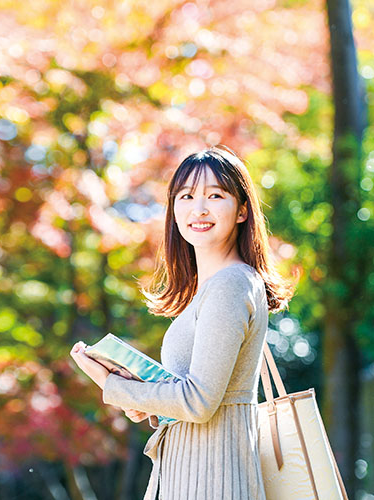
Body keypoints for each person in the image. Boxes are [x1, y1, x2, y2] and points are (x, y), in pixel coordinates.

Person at [70, 145, 295, 500]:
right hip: (196, 472)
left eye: (215, 195)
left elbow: (199, 402)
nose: (199, 208)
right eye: (186, 196)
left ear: (242, 211)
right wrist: (145, 399)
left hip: (212, 479)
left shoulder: (230, 285)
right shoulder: (211, 288)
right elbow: (196, 396)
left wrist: (113, 385)